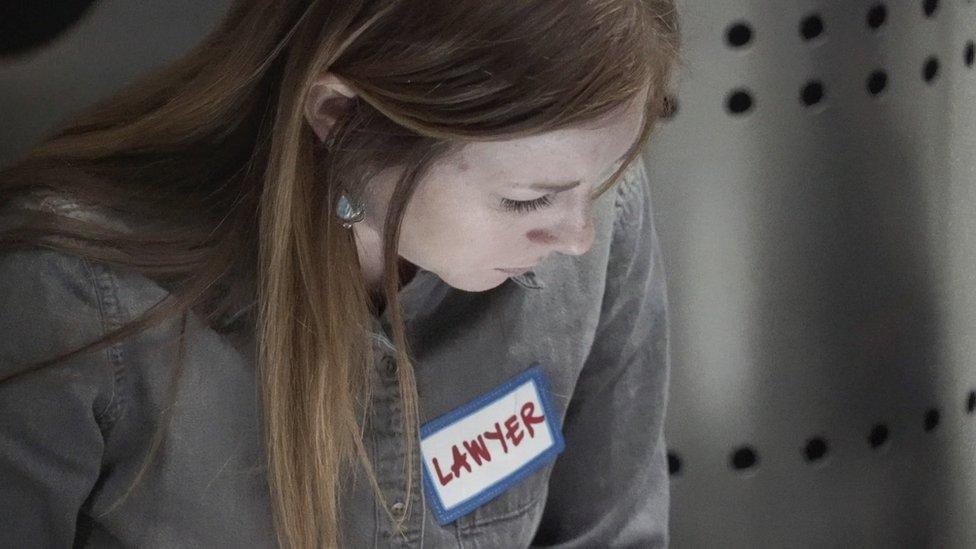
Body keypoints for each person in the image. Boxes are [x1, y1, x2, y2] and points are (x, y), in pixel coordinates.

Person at [0, 1, 682, 547]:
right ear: (341, 118)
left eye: (598, 183)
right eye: (527, 198)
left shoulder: (590, 211)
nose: (578, 234)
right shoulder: (75, 297)